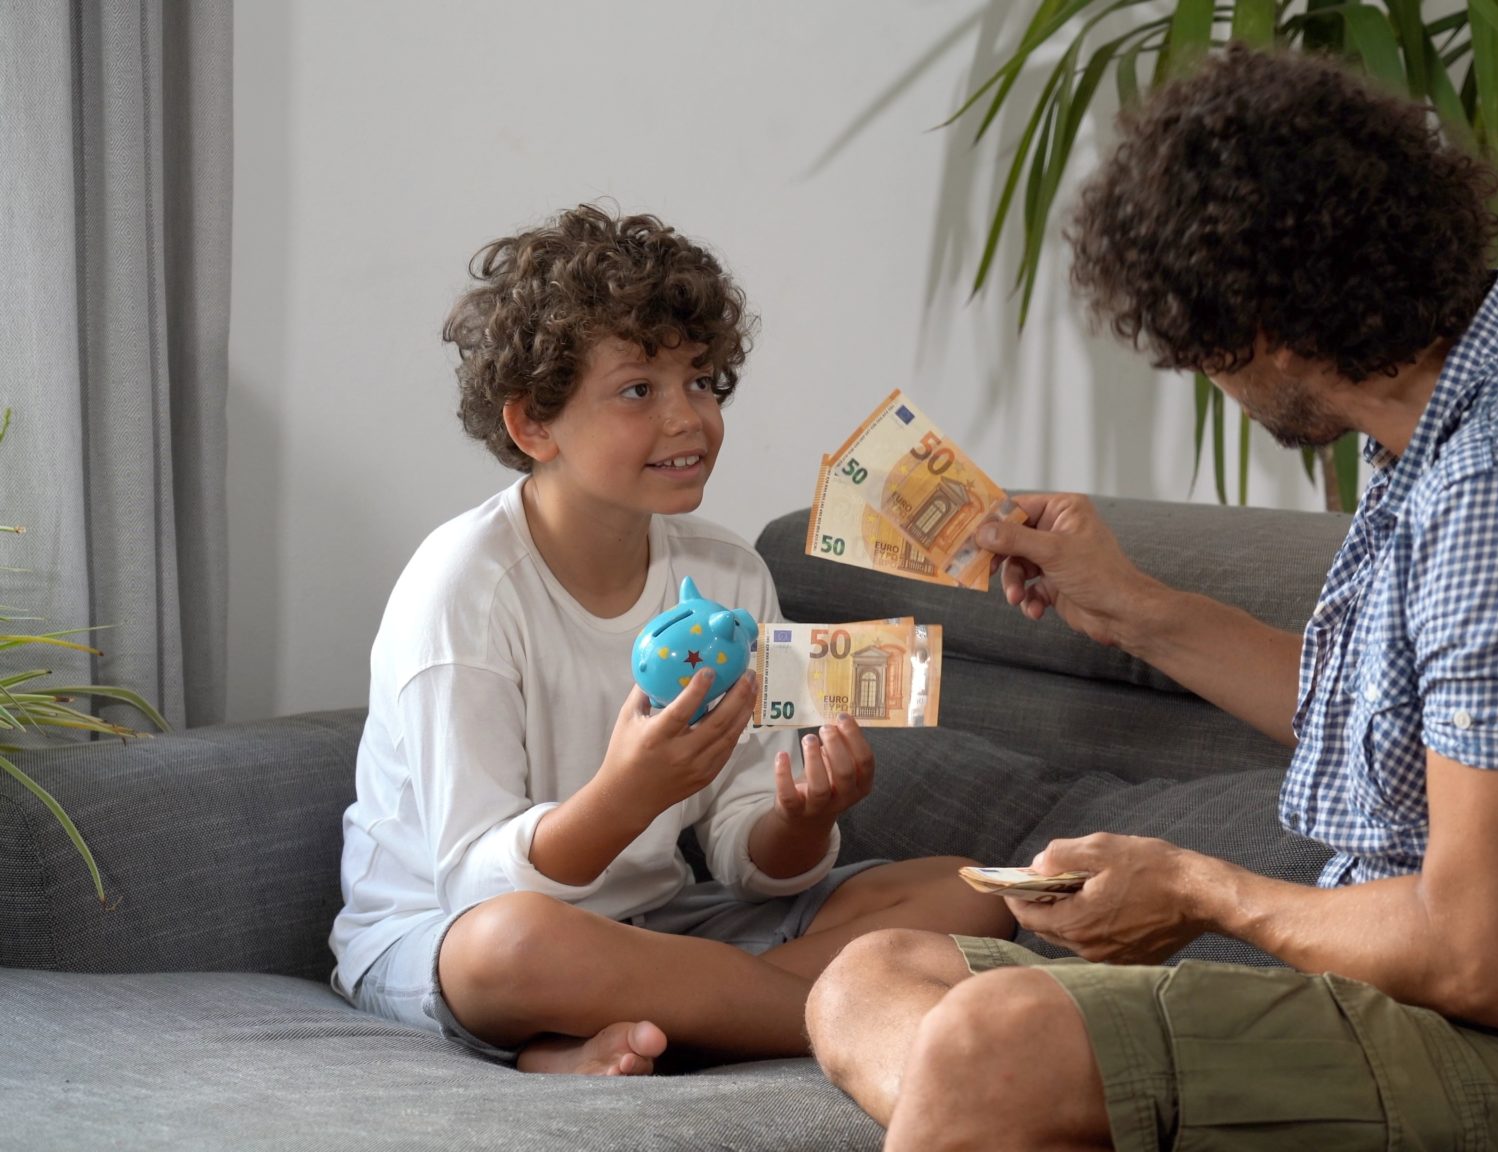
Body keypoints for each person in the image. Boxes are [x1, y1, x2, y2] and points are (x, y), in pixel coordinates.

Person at [806, 46, 1498, 1151]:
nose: (1209, 379)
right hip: (1402, 1026)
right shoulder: (1473, 394)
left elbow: (1486, 962)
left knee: (990, 1040)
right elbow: (1400, 727)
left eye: (1205, 349)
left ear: (1272, 326)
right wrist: (1130, 605)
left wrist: (1196, 889)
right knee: (872, 975)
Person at [328, 204, 1012, 1077]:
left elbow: (743, 851)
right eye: (639, 390)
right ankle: (821, 1011)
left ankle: (641, 1025)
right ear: (533, 425)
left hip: (659, 926)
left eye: (701, 381)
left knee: (967, 894)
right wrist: (626, 793)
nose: (690, 419)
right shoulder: (462, 586)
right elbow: (474, 885)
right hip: (448, 932)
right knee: (511, 948)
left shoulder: (727, 573)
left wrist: (801, 822)